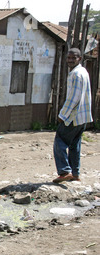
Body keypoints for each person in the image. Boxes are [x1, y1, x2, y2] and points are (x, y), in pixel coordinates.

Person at [53, 48, 92, 183]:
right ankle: (75, 174)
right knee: (75, 145)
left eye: (73, 58)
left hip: (74, 116)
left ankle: (64, 171)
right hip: (83, 116)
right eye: (68, 58)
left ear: (79, 59)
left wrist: (62, 115)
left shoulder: (75, 74)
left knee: (60, 140)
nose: (70, 60)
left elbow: (73, 98)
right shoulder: (83, 72)